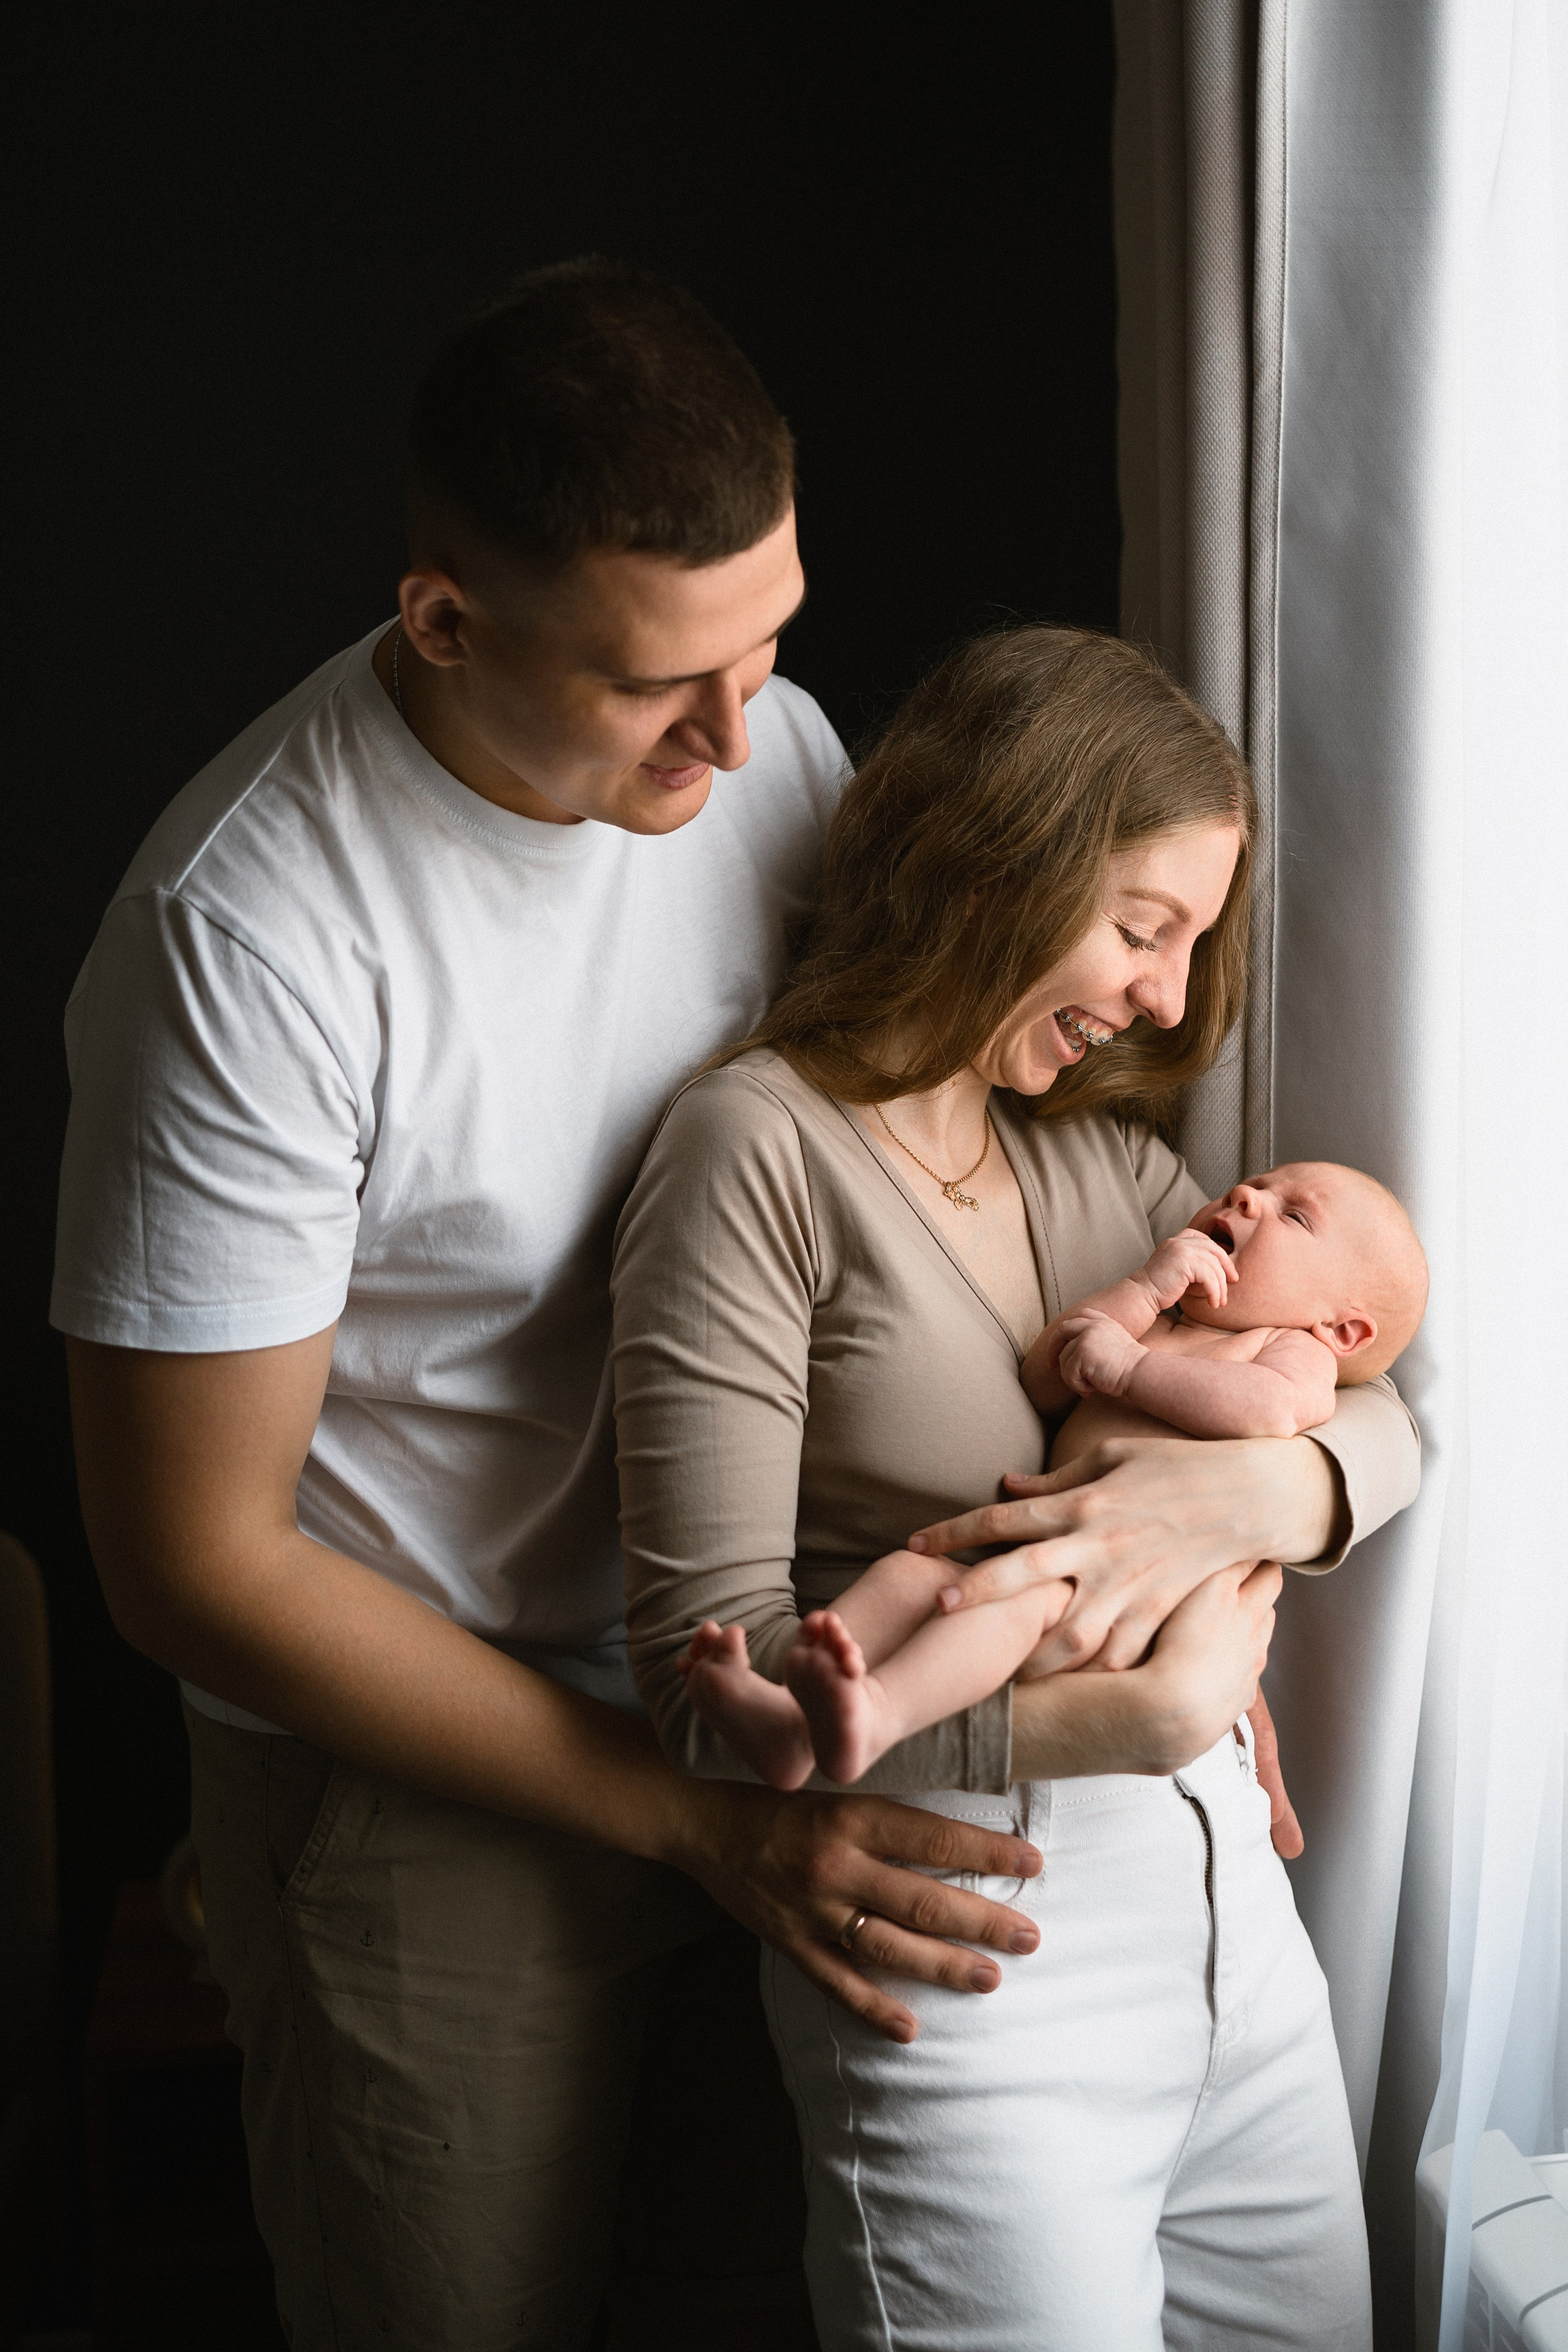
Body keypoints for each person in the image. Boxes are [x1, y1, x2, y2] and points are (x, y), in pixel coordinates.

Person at [52, 261, 1056, 2352]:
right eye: (655, 682)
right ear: (443, 620)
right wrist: (676, 1817)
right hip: (423, 1743)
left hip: (759, 1677)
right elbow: (192, 1566)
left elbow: (896, 1171)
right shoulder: (250, 937)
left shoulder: (765, 743)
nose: (738, 727)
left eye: (768, 646)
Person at [612, 625, 1422, 2350]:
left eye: (1191, 946)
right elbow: (703, 1679)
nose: (1163, 999)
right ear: (1003, 855)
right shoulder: (757, 1151)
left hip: (1234, 1942)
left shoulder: (1100, 1160)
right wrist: (1134, 1718)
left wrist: (1253, 1509)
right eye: (1144, 930)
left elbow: (1376, 1398)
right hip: (971, 1957)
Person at [677, 1164, 1428, 1789]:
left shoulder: (1289, 1348)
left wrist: (1132, 1369)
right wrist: (1141, 1291)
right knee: (911, 1576)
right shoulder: (1162, 1316)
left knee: (1006, 1604)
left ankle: (875, 1716)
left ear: (1342, 1329)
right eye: (1254, 1185)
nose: (1246, 1198)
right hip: (1045, 1549)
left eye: (1294, 1218)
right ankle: (789, 1723)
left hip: (1126, 1593)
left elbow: (1270, 1412)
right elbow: (1046, 1376)